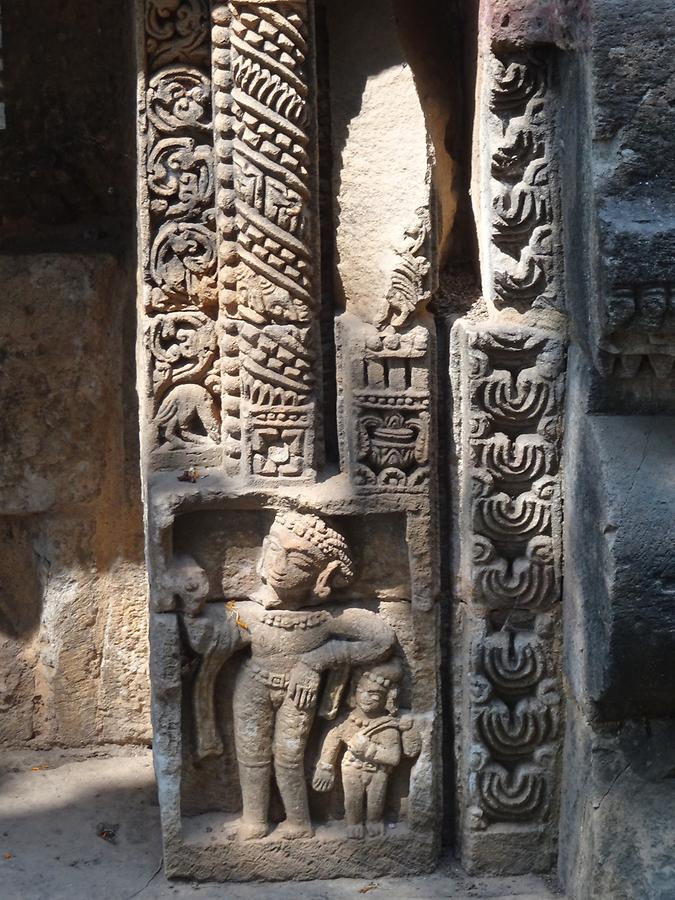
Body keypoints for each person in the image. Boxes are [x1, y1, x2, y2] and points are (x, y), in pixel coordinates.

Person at [183, 509, 395, 840]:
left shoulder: (324, 620)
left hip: (299, 694)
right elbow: (214, 639)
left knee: (289, 757)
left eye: (298, 564)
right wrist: (190, 608)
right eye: (274, 552)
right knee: (251, 756)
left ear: (323, 576)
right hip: (252, 686)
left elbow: (381, 639)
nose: (279, 568)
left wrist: (319, 659)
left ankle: (298, 822)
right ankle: (254, 820)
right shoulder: (249, 613)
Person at [312, 658, 421, 838]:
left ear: (388, 699)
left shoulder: (388, 726)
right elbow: (333, 738)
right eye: (361, 691)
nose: (366, 697)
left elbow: (393, 757)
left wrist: (369, 750)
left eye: (375, 694)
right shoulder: (348, 721)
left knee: (375, 802)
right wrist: (325, 766)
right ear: (354, 692)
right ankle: (353, 822)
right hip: (351, 768)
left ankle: (374, 821)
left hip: (378, 772)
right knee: (352, 799)